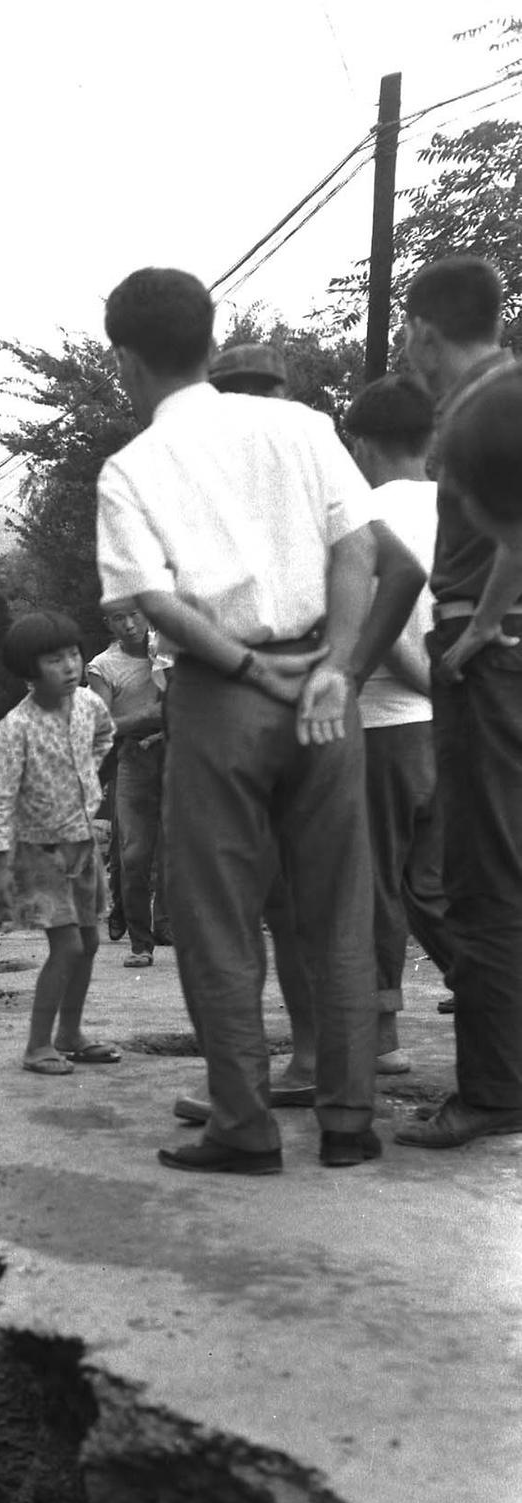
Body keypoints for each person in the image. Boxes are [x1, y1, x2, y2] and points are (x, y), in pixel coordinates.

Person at [96, 266, 422, 1173]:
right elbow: (360, 554)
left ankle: (243, 1126)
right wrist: (340, 671)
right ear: (210, 336)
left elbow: (153, 603)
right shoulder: (304, 426)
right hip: (327, 683)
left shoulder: (133, 468)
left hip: (221, 695)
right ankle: (349, 1124)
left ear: (126, 360)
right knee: (338, 911)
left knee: (220, 917)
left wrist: (246, 668)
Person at [392, 257, 522, 1148]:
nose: (407, 352)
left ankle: (493, 1090)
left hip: (491, 666)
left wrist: (477, 635)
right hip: (496, 652)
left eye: (408, 336)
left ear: (427, 332)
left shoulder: (477, 412)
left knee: (485, 877)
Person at [342, 373, 454, 1077]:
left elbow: (390, 624)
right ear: (432, 438)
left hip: (389, 720)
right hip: (465, 720)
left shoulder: (362, 516)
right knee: (443, 882)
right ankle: (493, 997)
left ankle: (380, 1036)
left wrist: (428, 688)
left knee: (377, 879)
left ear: (358, 442)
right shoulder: (468, 508)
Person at [0, 612, 119, 1073]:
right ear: (28, 670)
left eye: (74, 655)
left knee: (90, 942)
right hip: (39, 852)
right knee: (68, 947)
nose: (70, 666)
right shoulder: (16, 726)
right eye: (55, 659)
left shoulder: (89, 706)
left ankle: (71, 1033)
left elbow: (106, 736)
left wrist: (88, 780)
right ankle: (38, 1045)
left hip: (82, 844)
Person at [86, 601, 168, 967]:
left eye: (135, 614)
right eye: (119, 619)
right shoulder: (103, 666)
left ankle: (168, 926)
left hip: (182, 755)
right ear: (109, 623)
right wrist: (148, 716)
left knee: (181, 852)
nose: (130, 625)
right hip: (134, 760)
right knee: (133, 855)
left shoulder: (170, 647)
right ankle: (140, 942)